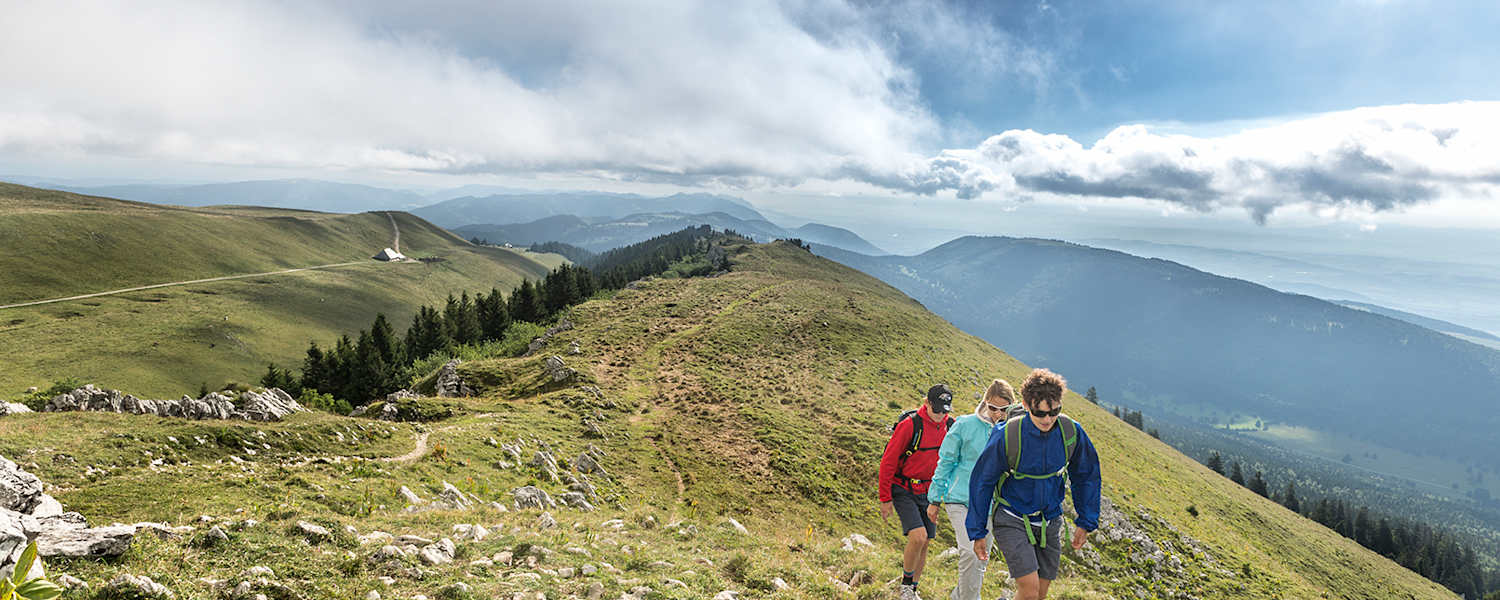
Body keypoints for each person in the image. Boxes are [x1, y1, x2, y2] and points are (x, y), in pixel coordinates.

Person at [966, 369, 1101, 600]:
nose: (1048, 419)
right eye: (1040, 413)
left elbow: (1086, 475)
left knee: (1041, 593)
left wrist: (1086, 521)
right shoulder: (1008, 434)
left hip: (1050, 522)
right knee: (1029, 590)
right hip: (1012, 518)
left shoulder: (1071, 432)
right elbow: (983, 481)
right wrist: (978, 531)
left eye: (1054, 412)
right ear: (1027, 406)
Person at [927, 379, 1015, 600]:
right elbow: (946, 461)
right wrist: (935, 499)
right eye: (993, 407)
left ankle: (958, 596)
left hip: (991, 505)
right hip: (960, 499)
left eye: (1003, 410)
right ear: (985, 402)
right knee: (970, 552)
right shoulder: (964, 425)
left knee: (980, 559)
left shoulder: (1011, 432)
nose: (997, 413)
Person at [880, 384, 956, 600]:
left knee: (926, 542)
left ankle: (913, 589)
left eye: (946, 410)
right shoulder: (909, 426)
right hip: (903, 487)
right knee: (918, 537)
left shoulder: (950, 426)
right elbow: (888, 462)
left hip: (929, 491)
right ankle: (905, 586)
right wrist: (885, 498)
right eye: (937, 410)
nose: (941, 416)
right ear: (927, 403)